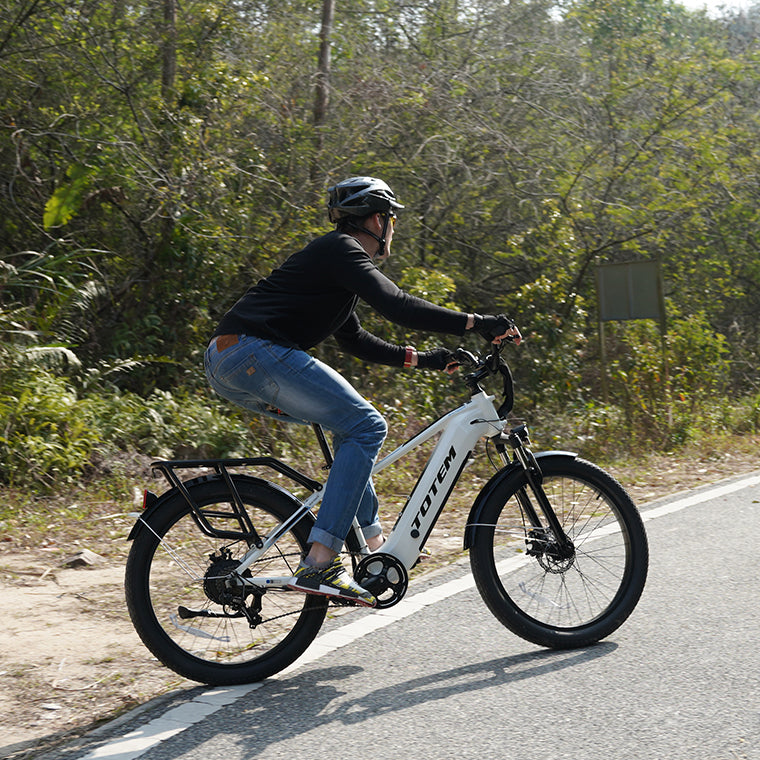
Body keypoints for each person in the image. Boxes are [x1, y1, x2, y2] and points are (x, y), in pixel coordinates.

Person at [204, 176, 521, 607]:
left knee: (349, 426)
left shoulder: (334, 268)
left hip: (230, 362)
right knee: (368, 425)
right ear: (378, 219)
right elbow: (398, 305)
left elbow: (354, 339)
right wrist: (478, 321)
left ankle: (375, 549)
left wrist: (423, 359)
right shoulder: (342, 250)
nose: (393, 229)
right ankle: (320, 563)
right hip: (252, 352)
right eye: (392, 220)